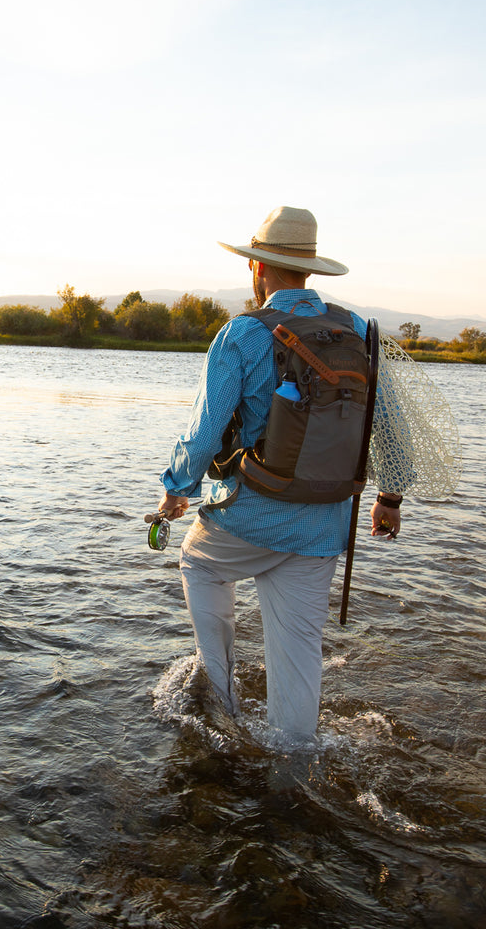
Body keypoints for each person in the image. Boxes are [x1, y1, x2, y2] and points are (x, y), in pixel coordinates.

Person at [157, 205, 405, 740]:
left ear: (257, 268)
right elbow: (390, 425)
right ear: (311, 270)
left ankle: (221, 705)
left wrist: (177, 491)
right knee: (298, 661)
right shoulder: (357, 330)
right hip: (325, 522)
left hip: (252, 515)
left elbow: (204, 432)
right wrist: (390, 500)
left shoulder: (242, 333)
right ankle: (295, 768)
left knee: (198, 564)